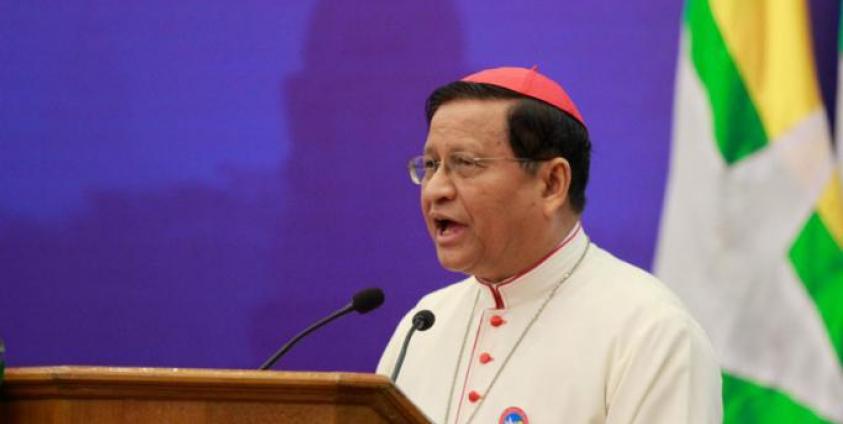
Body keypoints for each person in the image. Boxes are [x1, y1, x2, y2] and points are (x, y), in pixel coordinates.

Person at [377, 66, 722, 424]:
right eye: (431, 165)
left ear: (551, 184)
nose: (435, 189)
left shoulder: (650, 332)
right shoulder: (423, 325)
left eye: (465, 164)